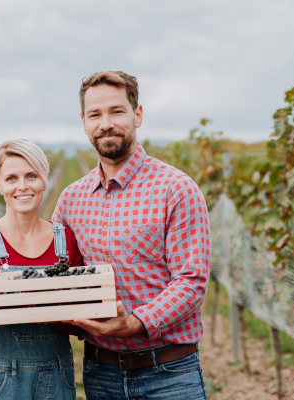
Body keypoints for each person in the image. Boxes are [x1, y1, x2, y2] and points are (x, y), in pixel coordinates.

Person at [53, 71, 211, 400]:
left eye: (117, 111)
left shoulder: (177, 189)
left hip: (170, 373)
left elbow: (191, 280)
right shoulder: (70, 200)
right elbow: (55, 274)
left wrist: (136, 322)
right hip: (101, 374)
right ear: (84, 122)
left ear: (137, 115)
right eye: (95, 114)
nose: (105, 123)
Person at [0, 139, 84, 400]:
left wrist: (44, 309)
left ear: (45, 179)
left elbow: (82, 326)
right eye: (11, 178)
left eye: (31, 175)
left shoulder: (65, 241)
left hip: (55, 379)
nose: (22, 186)